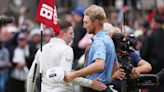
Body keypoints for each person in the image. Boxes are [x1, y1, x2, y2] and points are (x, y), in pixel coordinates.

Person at [27, 20, 106, 92]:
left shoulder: (41, 49)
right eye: (70, 33)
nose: (73, 37)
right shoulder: (66, 50)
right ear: (62, 33)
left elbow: (31, 76)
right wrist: (90, 83)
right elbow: (67, 76)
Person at [64, 5, 117, 92]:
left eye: (86, 22)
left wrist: (75, 74)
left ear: (96, 22)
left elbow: (99, 65)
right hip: (103, 87)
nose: (84, 26)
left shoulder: (99, 41)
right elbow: (115, 65)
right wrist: (106, 81)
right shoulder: (108, 39)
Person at [140, 15, 164, 92]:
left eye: (152, 22)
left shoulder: (150, 36)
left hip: (152, 73)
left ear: (156, 23)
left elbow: (143, 53)